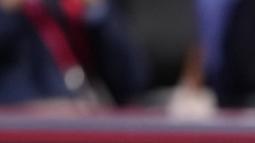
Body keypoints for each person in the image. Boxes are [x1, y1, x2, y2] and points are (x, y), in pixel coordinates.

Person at [0, 0, 148, 106]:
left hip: (78, 122)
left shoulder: (79, 9)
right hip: (15, 125)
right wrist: (6, 12)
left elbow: (131, 84)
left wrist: (97, 11)